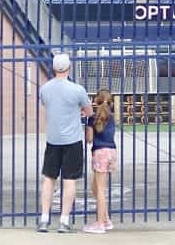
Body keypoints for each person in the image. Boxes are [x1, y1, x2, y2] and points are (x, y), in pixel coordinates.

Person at [37, 53, 93, 233]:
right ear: (69, 68)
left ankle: (44, 219)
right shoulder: (77, 89)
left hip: (53, 139)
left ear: (53, 69)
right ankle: (64, 221)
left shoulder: (45, 89)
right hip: (73, 140)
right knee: (69, 180)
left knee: (49, 179)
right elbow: (89, 111)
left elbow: (46, 105)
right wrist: (79, 111)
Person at [83, 88, 118, 235]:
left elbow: (90, 140)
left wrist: (87, 126)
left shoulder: (93, 119)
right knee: (95, 187)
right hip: (111, 152)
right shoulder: (111, 116)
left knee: (101, 190)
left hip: (100, 152)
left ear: (96, 101)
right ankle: (106, 219)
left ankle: (100, 224)